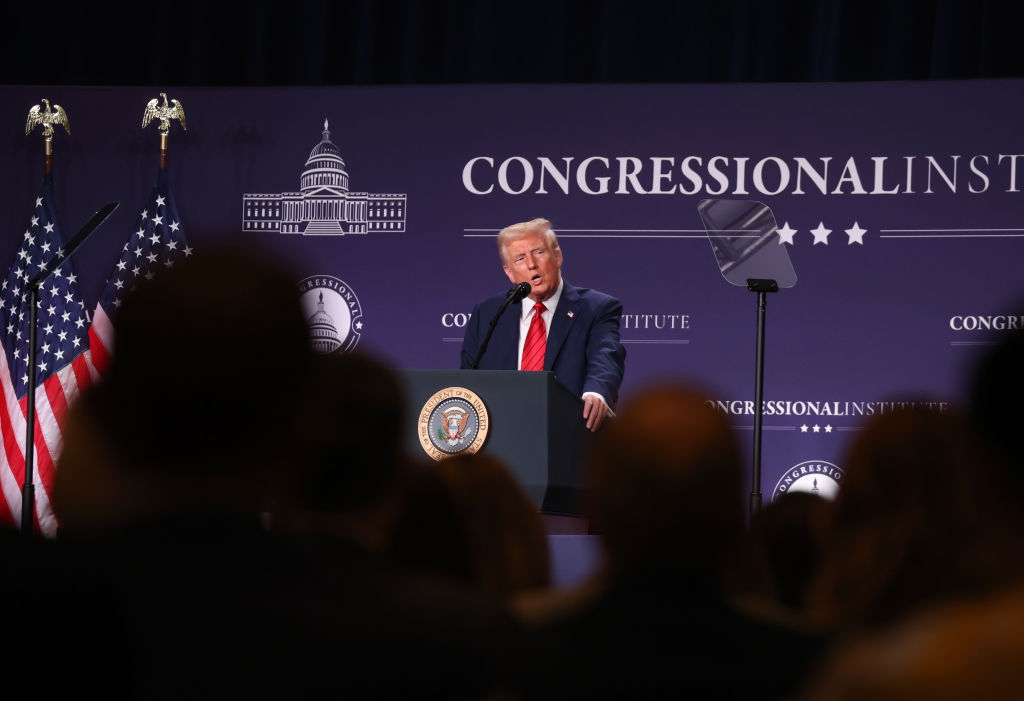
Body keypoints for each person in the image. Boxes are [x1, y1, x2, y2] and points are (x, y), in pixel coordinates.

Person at [460, 218, 625, 431]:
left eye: (538, 252)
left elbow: (606, 356)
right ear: (509, 272)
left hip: (568, 434)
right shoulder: (488, 312)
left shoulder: (596, 308)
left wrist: (596, 392)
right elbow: (467, 377)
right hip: (500, 435)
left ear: (557, 257)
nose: (531, 264)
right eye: (520, 259)